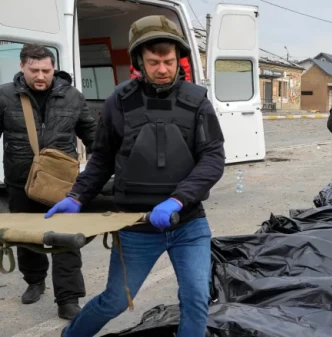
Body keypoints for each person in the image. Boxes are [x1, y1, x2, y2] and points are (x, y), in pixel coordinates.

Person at [48, 15, 226, 337]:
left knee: (197, 297)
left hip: (188, 222)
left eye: (169, 61)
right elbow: (102, 157)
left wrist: (177, 199)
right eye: (154, 62)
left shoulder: (198, 102)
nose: (162, 69)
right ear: (139, 61)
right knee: (115, 300)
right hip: (134, 224)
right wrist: (77, 196)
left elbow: (213, 158)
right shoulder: (119, 101)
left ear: (178, 59)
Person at [0, 43, 96, 320]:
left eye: (46, 70)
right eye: (34, 70)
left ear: (54, 68)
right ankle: (35, 281)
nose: (41, 76)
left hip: (62, 185)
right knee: (27, 239)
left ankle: (68, 298)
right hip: (21, 183)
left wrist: (107, 168)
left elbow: (91, 135)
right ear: (22, 67)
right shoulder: (5, 96)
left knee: (66, 242)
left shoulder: (72, 97)